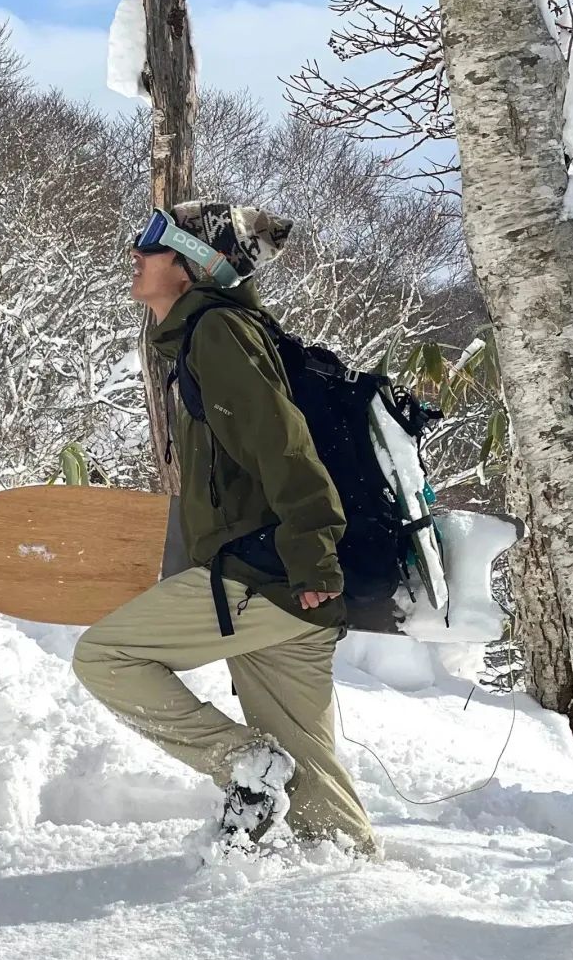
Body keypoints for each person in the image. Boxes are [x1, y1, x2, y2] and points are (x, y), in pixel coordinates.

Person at [72, 200, 375, 857]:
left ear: (192, 266)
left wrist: (312, 552)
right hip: (292, 587)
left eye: (152, 241)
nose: (136, 251)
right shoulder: (222, 334)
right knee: (318, 787)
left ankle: (246, 764)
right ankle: (353, 885)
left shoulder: (217, 333)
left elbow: (283, 446)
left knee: (104, 657)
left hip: (266, 578)